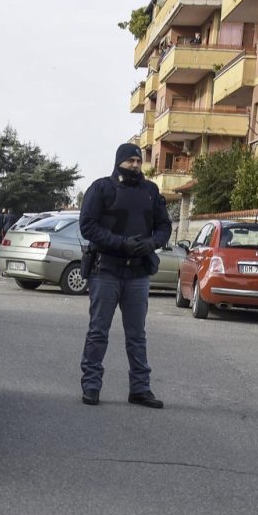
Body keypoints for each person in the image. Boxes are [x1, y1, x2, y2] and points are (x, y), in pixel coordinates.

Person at [78, 143, 171, 408]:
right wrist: (120, 243)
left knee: (137, 335)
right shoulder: (100, 188)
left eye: (138, 161)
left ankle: (140, 389)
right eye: (130, 160)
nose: (135, 165)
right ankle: (91, 386)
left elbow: (164, 226)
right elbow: (87, 226)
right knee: (98, 332)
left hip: (138, 273)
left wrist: (151, 244)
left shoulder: (150, 191)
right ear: (119, 161)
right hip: (105, 270)